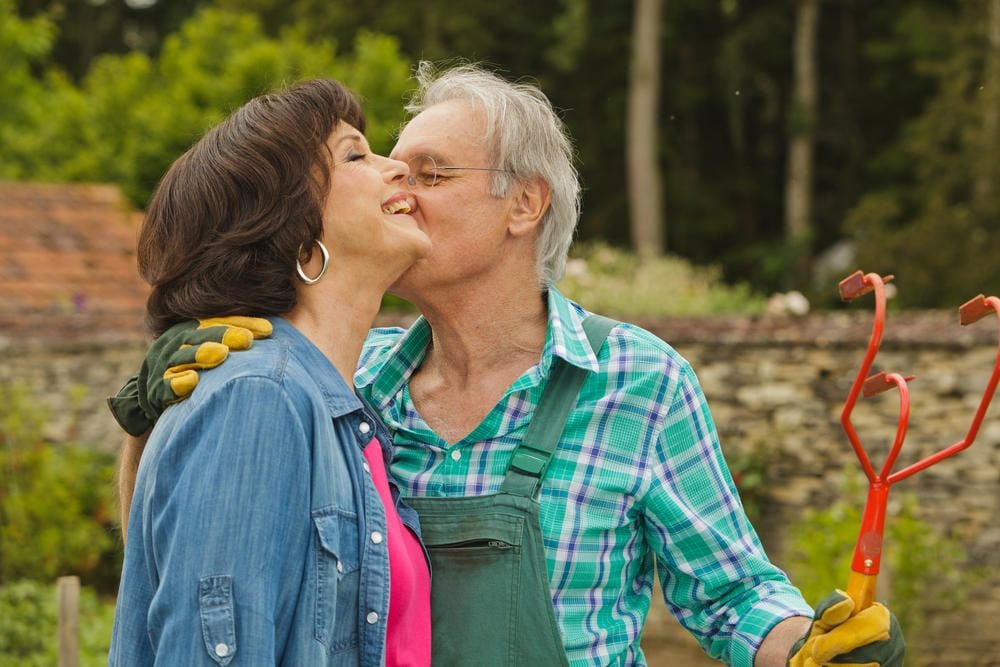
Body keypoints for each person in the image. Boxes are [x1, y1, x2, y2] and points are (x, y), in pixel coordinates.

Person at [111, 63, 904, 666]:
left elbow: (731, 593)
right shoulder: (348, 388)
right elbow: (198, 568)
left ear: (524, 204)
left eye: (431, 173)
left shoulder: (637, 380)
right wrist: (153, 419)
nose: (401, 186)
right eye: (386, 162)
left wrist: (807, 645)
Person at [108, 79, 433, 666]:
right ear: (300, 237)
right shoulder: (261, 398)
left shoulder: (346, 409)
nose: (399, 165)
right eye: (356, 154)